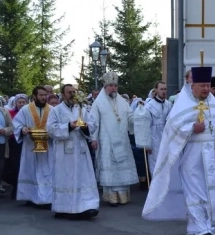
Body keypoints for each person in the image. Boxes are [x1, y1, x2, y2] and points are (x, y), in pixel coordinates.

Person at [142, 65, 215, 235]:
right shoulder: (182, 104)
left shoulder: (213, 103)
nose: (206, 89)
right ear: (192, 86)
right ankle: (201, 228)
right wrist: (191, 128)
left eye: (208, 85)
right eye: (202, 85)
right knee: (197, 193)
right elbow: (172, 128)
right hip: (193, 158)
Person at [46, 84, 99, 220]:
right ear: (63, 95)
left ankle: (87, 206)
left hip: (80, 149)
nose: (72, 94)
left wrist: (85, 127)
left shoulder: (82, 109)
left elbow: (93, 124)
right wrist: (69, 126)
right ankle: (63, 207)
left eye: (73, 92)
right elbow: (51, 129)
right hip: (64, 152)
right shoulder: (56, 110)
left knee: (83, 177)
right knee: (65, 178)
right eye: (69, 92)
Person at [90, 72, 138, 206]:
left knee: (121, 166)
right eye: (111, 85)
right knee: (110, 166)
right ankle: (112, 198)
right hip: (106, 141)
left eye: (115, 85)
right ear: (105, 86)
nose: (113, 88)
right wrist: (93, 138)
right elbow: (94, 122)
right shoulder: (98, 103)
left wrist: (138, 117)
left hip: (122, 139)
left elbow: (129, 116)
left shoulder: (122, 101)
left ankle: (123, 196)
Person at [13, 86, 54, 209]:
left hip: (47, 146)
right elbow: (17, 123)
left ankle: (47, 198)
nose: (43, 97)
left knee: (47, 172)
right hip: (30, 145)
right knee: (31, 171)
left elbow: (55, 124)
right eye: (41, 95)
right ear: (34, 96)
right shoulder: (26, 109)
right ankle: (30, 197)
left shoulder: (51, 109)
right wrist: (22, 129)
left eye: (45, 95)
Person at [144, 81, 172, 176]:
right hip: (154, 139)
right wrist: (147, 144)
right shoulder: (149, 106)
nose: (164, 91)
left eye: (165, 89)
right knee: (155, 166)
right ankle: (155, 189)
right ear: (156, 90)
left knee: (167, 164)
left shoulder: (169, 104)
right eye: (161, 89)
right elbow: (146, 126)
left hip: (166, 138)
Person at [3, 94, 28, 199]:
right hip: (13, 142)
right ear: (15, 103)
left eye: (23, 102)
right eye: (19, 102)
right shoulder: (11, 112)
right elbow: (11, 125)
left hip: (26, 141)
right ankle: (15, 186)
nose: (21, 104)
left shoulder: (29, 112)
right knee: (14, 166)